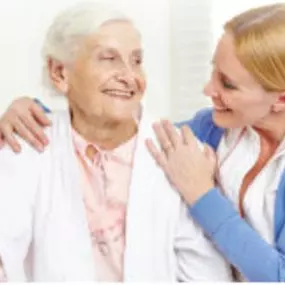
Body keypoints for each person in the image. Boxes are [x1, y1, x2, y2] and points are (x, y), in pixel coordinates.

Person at [2, 2, 285, 282]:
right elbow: (117, 131)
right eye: (109, 58)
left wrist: (202, 195)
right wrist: (33, 113)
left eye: (228, 84)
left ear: (280, 99)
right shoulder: (210, 130)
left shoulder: (195, 156)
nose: (208, 89)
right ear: (60, 72)